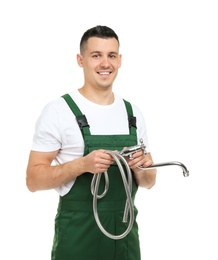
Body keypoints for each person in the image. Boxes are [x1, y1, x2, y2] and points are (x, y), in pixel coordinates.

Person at [26, 25, 157, 260]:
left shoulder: (133, 114)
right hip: (78, 238)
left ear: (120, 60)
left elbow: (148, 182)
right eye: (96, 55)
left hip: (125, 239)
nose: (105, 64)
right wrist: (82, 165)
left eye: (111, 56)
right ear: (80, 59)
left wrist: (142, 166)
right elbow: (33, 180)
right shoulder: (59, 111)